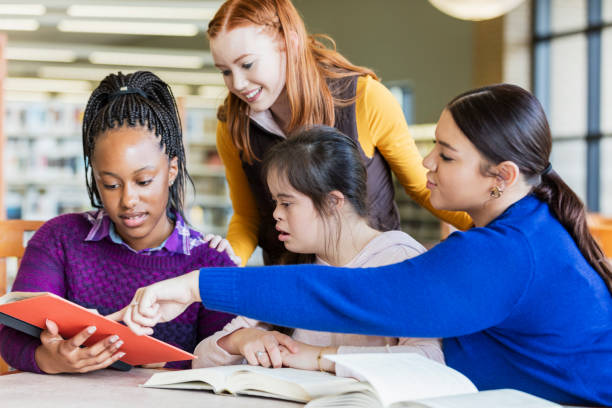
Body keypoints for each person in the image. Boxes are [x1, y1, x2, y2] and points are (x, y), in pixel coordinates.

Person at [119, 84, 612, 406]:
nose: (426, 163)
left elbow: (351, 295)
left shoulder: (505, 252)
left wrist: (196, 285)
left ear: (501, 177)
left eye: (445, 154)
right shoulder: (530, 231)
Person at [0, 71, 237, 374]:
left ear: (172, 171)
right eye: (111, 184)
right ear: (94, 178)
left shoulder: (211, 260)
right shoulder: (58, 239)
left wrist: (164, 362)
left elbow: (228, 356)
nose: (128, 200)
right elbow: (11, 336)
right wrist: (53, 359)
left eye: (144, 181)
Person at [207, 0, 472, 266]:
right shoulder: (233, 124)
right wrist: (228, 262)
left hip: (370, 278)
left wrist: (499, 231)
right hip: (293, 286)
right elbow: (247, 215)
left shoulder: (365, 99)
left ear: (291, 44)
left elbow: (421, 188)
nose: (237, 84)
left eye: (248, 64)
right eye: (225, 71)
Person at [193, 126, 443, 375]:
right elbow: (201, 360)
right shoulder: (292, 268)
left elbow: (429, 359)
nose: (276, 214)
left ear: (333, 202)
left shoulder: (400, 260)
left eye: (287, 203)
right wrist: (240, 340)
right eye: (275, 202)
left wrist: (318, 358)